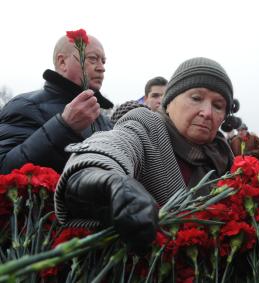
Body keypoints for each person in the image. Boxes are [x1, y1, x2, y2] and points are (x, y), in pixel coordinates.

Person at [54, 57, 241, 254]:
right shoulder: (146, 127)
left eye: (218, 105)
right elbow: (111, 146)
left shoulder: (221, 156)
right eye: (196, 98)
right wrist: (107, 182)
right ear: (168, 102)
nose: (207, 112)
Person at [0, 33, 113, 174]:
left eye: (103, 61)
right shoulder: (25, 106)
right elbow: (4, 168)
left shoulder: (105, 122)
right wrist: (63, 127)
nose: (101, 68)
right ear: (62, 62)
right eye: (93, 59)